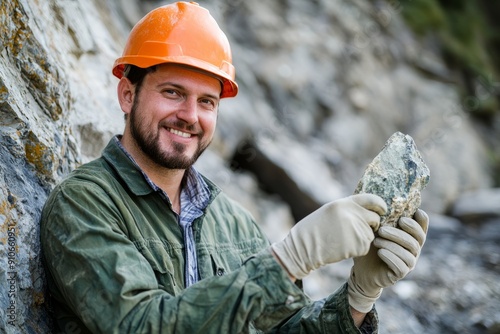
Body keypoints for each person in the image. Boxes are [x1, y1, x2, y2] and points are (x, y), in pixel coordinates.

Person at [40, 2, 429, 333]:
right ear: (128, 94)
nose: (189, 115)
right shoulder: (83, 205)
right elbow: (141, 324)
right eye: (173, 92)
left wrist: (358, 298)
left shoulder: (234, 223)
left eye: (207, 101)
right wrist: (288, 260)